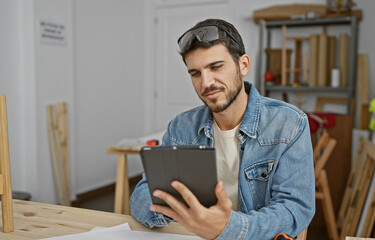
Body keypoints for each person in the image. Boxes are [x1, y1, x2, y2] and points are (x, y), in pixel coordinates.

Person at [130, 18, 315, 239]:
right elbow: (142, 196)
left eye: (216, 67)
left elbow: (294, 210)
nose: (206, 82)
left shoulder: (289, 123)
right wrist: (187, 214)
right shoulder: (181, 127)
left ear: (243, 65)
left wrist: (227, 227)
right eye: (195, 73)